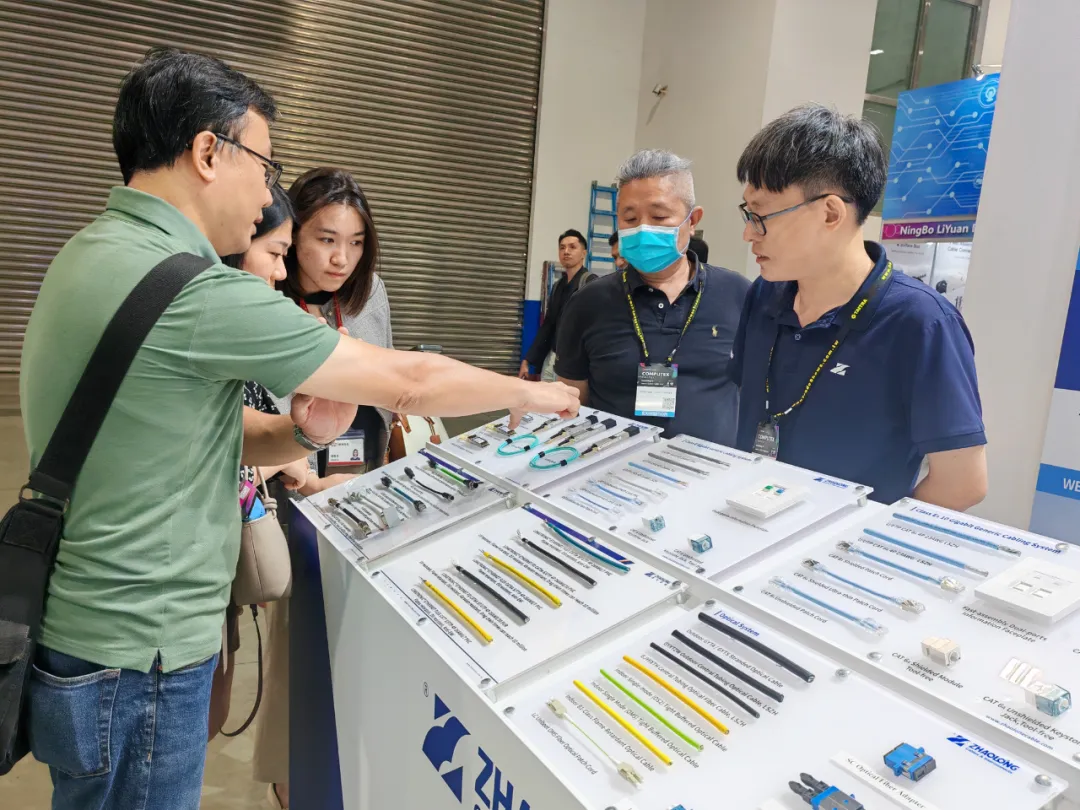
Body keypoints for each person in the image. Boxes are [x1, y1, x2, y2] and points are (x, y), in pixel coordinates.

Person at [18, 46, 578, 810]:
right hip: (143, 654)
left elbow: (207, 433)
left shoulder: (89, 254)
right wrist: (532, 393)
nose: (267, 194)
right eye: (265, 165)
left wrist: (303, 434)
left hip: (84, 635)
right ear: (208, 153)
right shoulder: (196, 290)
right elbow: (410, 382)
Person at [730, 103, 986, 509]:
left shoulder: (920, 322)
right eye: (747, 213)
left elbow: (963, 483)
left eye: (760, 215)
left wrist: (862, 531)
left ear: (830, 213)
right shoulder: (764, 295)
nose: (748, 234)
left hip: (838, 545)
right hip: (747, 519)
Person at [555, 150, 750, 444]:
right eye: (630, 218)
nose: (643, 229)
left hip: (709, 468)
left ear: (692, 220)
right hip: (612, 465)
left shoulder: (738, 294)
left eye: (659, 216)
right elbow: (573, 402)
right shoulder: (588, 303)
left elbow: (753, 392)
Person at [278, 167, 394, 480]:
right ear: (293, 233)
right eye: (327, 239)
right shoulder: (268, 300)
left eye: (356, 242)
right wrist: (308, 483)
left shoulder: (371, 292)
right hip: (292, 477)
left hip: (363, 468)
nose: (341, 259)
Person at [519, 228, 593, 382]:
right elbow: (548, 326)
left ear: (583, 253)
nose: (566, 251)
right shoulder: (558, 286)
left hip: (575, 364)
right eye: (562, 247)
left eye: (572, 247)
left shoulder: (590, 284)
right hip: (552, 359)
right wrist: (528, 360)